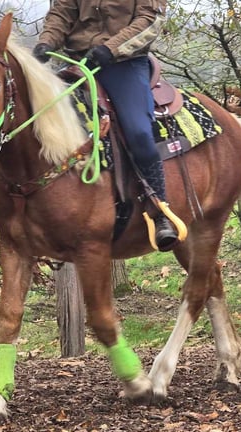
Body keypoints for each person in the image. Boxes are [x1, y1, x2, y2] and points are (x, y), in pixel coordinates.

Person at [33, 0, 180, 252]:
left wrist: (110, 49)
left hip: (124, 64)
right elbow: (62, 13)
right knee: (42, 122)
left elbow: (150, 20)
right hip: (79, 63)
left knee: (139, 131)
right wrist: (46, 42)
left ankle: (159, 210)